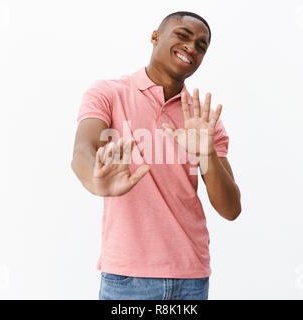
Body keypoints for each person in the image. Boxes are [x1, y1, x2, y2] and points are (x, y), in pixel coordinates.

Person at [71, 11, 241, 300]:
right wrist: (94, 180)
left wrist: (207, 151)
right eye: (183, 35)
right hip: (127, 277)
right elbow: (81, 151)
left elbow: (231, 209)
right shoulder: (109, 93)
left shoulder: (204, 119)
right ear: (155, 37)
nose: (192, 47)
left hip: (191, 277)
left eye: (201, 45)